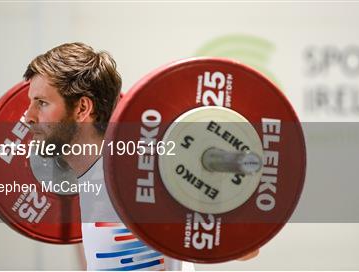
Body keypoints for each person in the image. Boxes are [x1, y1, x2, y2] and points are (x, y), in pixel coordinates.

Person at [22, 42, 258, 270]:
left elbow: (246, 246)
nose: (27, 116)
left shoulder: (140, 173)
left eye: (41, 103)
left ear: (82, 109)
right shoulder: (91, 179)